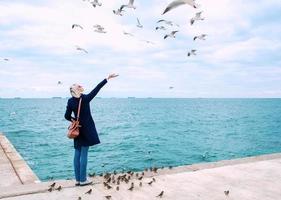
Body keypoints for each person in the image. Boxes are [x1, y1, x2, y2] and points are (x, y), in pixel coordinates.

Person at [64, 74, 118, 186]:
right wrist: (107, 78)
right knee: (84, 154)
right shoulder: (85, 99)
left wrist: (74, 120)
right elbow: (97, 88)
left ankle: (78, 179)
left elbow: (66, 116)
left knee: (77, 153)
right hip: (86, 130)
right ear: (77, 90)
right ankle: (83, 180)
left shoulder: (70, 101)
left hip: (77, 130)